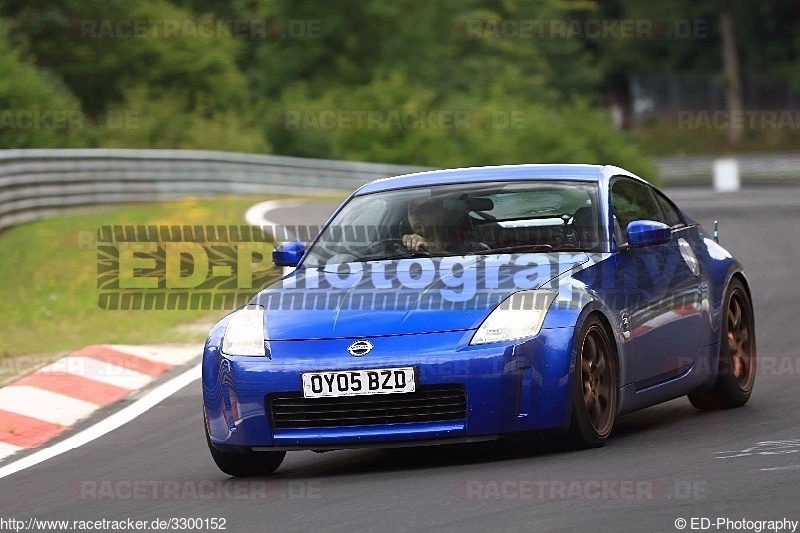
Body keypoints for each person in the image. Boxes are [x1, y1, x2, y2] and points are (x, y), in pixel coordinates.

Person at [402, 198, 488, 254]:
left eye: (422, 209)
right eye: (411, 211)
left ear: (441, 214)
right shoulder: (400, 248)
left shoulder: (471, 248)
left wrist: (433, 251)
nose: (415, 215)